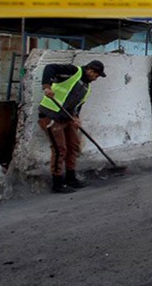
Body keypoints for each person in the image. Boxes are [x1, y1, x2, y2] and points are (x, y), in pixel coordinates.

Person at [38, 60, 107, 193]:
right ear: (91, 70)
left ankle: (71, 178)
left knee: (74, 145)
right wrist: (47, 86)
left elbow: (78, 106)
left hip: (66, 118)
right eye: (96, 75)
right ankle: (57, 183)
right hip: (50, 115)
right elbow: (50, 67)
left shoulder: (87, 87)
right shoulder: (73, 71)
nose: (96, 79)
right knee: (60, 149)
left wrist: (76, 118)